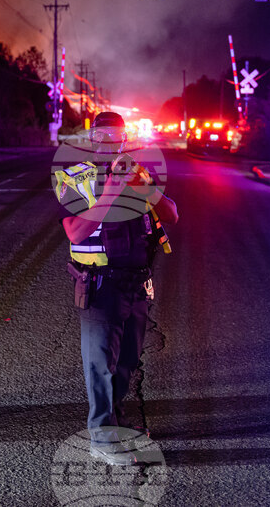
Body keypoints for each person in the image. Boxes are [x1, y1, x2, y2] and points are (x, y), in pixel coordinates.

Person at [56, 112, 178, 465]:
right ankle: (101, 437)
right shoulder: (76, 177)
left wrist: (146, 189)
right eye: (102, 134)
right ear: (92, 138)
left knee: (126, 361)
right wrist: (110, 192)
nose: (110, 141)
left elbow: (171, 214)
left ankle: (118, 422)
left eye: (117, 135)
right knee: (101, 364)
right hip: (100, 285)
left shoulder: (139, 174)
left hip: (137, 282)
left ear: (126, 138)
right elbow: (75, 232)